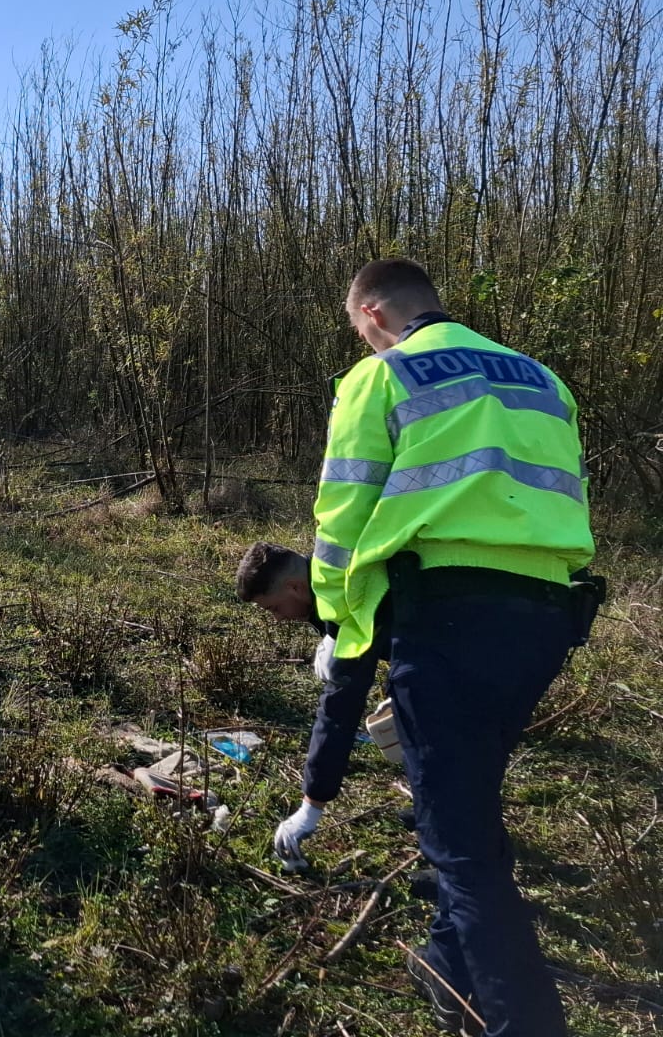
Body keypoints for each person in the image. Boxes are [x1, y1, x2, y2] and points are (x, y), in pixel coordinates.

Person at [311, 258, 595, 1037]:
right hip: (545, 620)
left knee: (457, 839)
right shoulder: (543, 379)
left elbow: (342, 517)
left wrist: (338, 627)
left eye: (354, 326)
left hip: (445, 620)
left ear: (371, 313)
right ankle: (445, 964)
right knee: (467, 793)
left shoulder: (381, 377)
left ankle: (525, 1021)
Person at [235, 541, 392, 868]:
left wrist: (311, 807)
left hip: (471, 646)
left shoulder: (346, 597)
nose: (277, 619)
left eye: (274, 608)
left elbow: (339, 711)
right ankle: (433, 811)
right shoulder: (327, 582)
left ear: (294, 586)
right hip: (443, 638)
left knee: (449, 743)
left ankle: (466, 869)